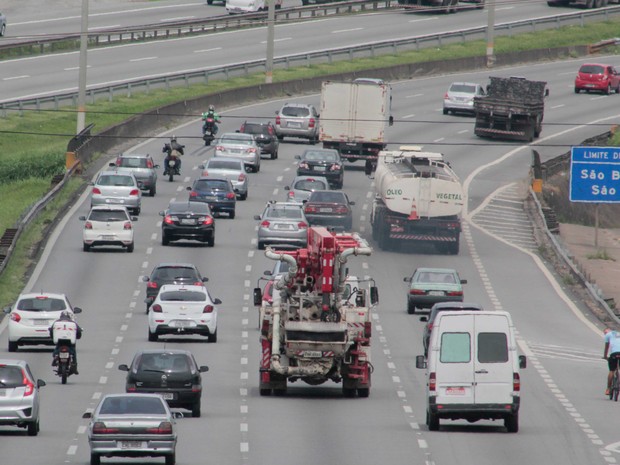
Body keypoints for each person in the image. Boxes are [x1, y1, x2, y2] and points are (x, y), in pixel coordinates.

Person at [50, 311, 83, 375]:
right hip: (70, 343)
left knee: (56, 350)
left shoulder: (57, 322)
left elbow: (51, 331)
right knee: (73, 353)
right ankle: (74, 367)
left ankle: (55, 358)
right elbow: (78, 332)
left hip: (60, 342)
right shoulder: (72, 323)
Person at [603, 328, 620, 395]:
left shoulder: (608, 335)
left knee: (612, 370)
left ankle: (608, 389)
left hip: (614, 354)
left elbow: (606, 347)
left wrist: (605, 356)